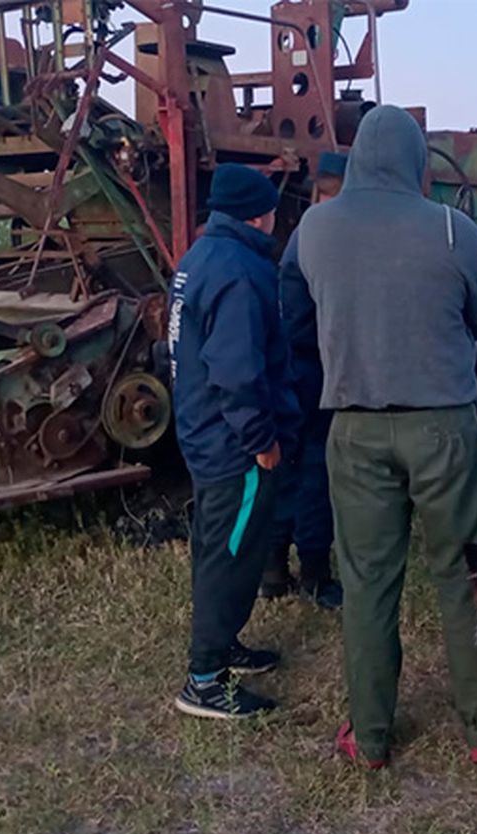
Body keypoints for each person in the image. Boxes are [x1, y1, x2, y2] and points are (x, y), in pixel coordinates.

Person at [295, 105, 477, 768]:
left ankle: (370, 735)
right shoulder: (452, 231)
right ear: (418, 162)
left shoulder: (314, 229)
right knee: (464, 573)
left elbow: (308, 311)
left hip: (354, 429)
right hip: (444, 424)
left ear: (359, 156)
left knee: (366, 582)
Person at [167, 163, 299, 720]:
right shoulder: (242, 271)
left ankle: (226, 647)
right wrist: (260, 437)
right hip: (234, 445)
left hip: (202, 432)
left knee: (217, 547)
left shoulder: (198, 259)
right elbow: (237, 370)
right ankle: (205, 680)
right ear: (260, 213)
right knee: (231, 557)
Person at [259, 232, 343, 609]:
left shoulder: (302, 236)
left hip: (285, 366)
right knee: (315, 469)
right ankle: (315, 574)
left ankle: (273, 569)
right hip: (313, 367)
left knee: (284, 467)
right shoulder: (328, 234)